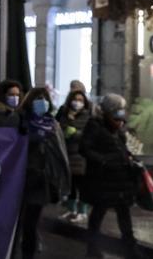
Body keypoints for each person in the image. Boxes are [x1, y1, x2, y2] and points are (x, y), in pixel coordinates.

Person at [80, 93, 142, 258]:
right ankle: (92, 248)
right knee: (99, 213)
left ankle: (130, 248)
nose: (120, 114)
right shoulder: (95, 125)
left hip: (121, 178)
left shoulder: (118, 124)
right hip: (103, 179)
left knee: (124, 214)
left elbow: (123, 146)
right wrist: (103, 161)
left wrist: (131, 158)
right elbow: (85, 149)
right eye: (116, 110)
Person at [16, 87, 71, 259]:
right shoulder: (21, 121)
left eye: (45, 98)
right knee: (21, 222)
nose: (42, 101)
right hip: (22, 178)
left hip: (41, 180)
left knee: (31, 222)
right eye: (38, 98)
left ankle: (28, 253)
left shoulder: (52, 125)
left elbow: (60, 153)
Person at [57, 88, 92, 223]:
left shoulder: (87, 116)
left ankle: (82, 211)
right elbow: (60, 129)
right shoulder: (65, 115)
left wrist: (76, 133)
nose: (77, 103)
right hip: (67, 155)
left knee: (81, 185)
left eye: (80, 100)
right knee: (70, 185)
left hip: (81, 156)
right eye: (75, 100)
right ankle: (72, 210)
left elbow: (89, 134)